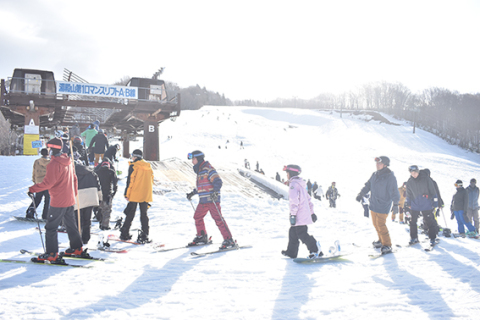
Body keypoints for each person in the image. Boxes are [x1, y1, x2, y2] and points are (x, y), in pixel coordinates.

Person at [28, 137, 84, 263]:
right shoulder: (68, 161)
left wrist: (33, 189)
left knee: (51, 227)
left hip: (59, 200)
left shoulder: (54, 164)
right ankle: (77, 248)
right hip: (69, 198)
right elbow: (74, 179)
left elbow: (48, 183)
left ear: (51, 148)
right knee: (71, 225)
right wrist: (73, 194)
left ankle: (51, 253)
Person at [186, 150, 235, 249]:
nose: (192, 162)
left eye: (193, 159)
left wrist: (215, 193)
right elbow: (202, 186)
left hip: (212, 200)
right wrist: (193, 193)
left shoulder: (208, 169)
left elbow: (218, 181)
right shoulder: (200, 171)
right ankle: (202, 236)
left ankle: (229, 240)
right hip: (204, 201)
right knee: (197, 217)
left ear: (198, 159)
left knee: (218, 219)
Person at [356, 156, 400, 254]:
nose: (377, 165)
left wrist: (396, 204)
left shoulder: (390, 177)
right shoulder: (374, 174)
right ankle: (381, 240)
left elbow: (394, 191)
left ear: (385, 165)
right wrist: (361, 194)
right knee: (375, 224)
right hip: (374, 203)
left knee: (381, 224)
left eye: (379, 163)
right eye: (376, 163)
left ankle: (387, 245)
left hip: (383, 205)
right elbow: (368, 185)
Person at [280, 165, 322, 259]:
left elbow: (294, 201)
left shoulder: (293, 185)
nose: (286, 175)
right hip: (303, 213)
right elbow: (308, 199)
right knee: (293, 232)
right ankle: (291, 252)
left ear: (291, 173)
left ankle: (315, 250)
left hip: (299, 214)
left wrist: (293, 215)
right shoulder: (301, 184)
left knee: (302, 233)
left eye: (287, 173)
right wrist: (312, 213)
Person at [120, 149, 153, 243]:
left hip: (135, 193)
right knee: (144, 215)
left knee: (130, 213)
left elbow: (130, 181)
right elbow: (151, 179)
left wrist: (127, 193)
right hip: (145, 194)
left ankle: (124, 233)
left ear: (135, 156)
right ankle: (145, 234)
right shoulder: (148, 166)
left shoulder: (134, 166)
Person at [405, 165, 438, 246]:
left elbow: (433, 191)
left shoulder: (426, 179)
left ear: (418, 171)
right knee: (412, 222)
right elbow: (408, 194)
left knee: (429, 221)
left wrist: (435, 202)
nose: (414, 174)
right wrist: (408, 203)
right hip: (414, 205)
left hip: (426, 204)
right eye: (412, 173)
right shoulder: (409, 182)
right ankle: (414, 238)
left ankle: (432, 238)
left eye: (415, 172)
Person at [74, 161, 102, 245]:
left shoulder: (72, 173)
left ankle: (77, 239)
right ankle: (86, 238)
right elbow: (98, 185)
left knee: (78, 220)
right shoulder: (91, 172)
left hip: (78, 197)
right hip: (91, 196)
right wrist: (100, 198)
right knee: (87, 219)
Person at [26, 148, 50, 219]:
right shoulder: (51, 162)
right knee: (47, 200)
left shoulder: (37, 161)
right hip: (47, 183)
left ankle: (30, 212)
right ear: (48, 154)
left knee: (37, 199)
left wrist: (35, 181)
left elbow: (34, 172)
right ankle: (45, 216)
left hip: (39, 183)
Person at [95, 159, 118, 230]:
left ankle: (99, 220)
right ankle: (105, 225)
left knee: (99, 208)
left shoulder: (96, 172)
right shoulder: (111, 172)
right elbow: (115, 184)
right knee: (107, 211)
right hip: (107, 194)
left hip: (98, 194)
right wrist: (113, 193)